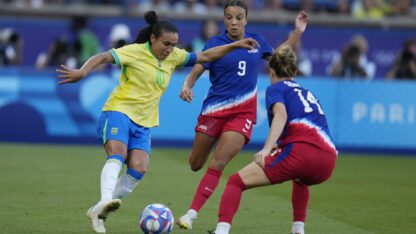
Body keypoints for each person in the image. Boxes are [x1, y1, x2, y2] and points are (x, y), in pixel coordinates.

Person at [56, 11, 258, 234]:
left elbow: (206, 56)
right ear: (153, 38)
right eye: (166, 44)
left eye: (173, 44)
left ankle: (98, 210)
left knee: (139, 169)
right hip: (119, 111)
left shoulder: (174, 57)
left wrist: (236, 45)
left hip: (144, 123)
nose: (170, 49)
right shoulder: (134, 52)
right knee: (118, 154)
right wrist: (83, 72)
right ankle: (105, 200)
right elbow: (103, 56)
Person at [176, 0, 308, 230]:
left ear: (246, 19)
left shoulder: (258, 42)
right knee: (195, 163)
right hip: (213, 111)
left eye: (238, 17)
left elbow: (281, 54)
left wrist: (297, 31)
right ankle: (195, 204)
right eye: (229, 17)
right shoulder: (215, 43)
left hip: (242, 113)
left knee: (218, 161)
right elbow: (197, 69)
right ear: (224, 19)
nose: (234, 21)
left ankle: (191, 214)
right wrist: (187, 84)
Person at [213, 45, 337, 234]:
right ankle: (298, 229)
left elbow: (280, 115)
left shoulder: (276, 88)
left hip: (301, 153)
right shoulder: (307, 92)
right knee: (301, 180)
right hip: (328, 159)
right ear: (294, 71)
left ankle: (221, 230)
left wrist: (266, 148)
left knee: (235, 182)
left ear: (271, 72)